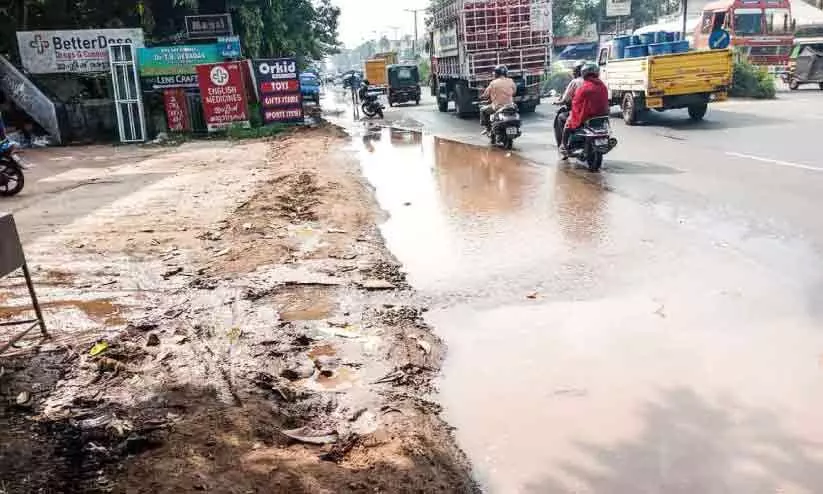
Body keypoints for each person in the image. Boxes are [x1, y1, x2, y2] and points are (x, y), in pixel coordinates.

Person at [561, 62, 609, 155]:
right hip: (601, 115)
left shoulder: (584, 86)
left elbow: (576, 102)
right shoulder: (602, 85)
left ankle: (564, 146)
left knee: (568, 124)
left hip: (587, 116)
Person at [554, 61, 585, 145]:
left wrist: (558, 102)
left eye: (574, 71)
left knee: (561, 117)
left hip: (580, 112)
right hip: (596, 113)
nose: (573, 73)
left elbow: (565, 99)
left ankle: (564, 145)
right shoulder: (597, 82)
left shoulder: (575, 82)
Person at [480, 64, 516, 134]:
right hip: (510, 106)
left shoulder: (493, 83)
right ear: (506, 73)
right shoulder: (511, 81)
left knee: (482, 110)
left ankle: (488, 129)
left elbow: (486, 95)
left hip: (497, 107)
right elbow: (514, 92)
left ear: (496, 73)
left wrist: (482, 97)